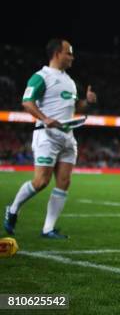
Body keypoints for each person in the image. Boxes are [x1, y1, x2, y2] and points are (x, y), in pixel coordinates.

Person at [4, 39, 97, 239]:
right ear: (57, 53)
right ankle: (13, 209)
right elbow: (26, 102)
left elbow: (76, 108)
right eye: (69, 53)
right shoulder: (41, 77)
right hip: (46, 135)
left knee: (64, 182)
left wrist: (86, 102)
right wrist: (45, 118)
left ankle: (48, 229)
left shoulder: (70, 81)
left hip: (68, 137)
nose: (72, 57)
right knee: (41, 181)